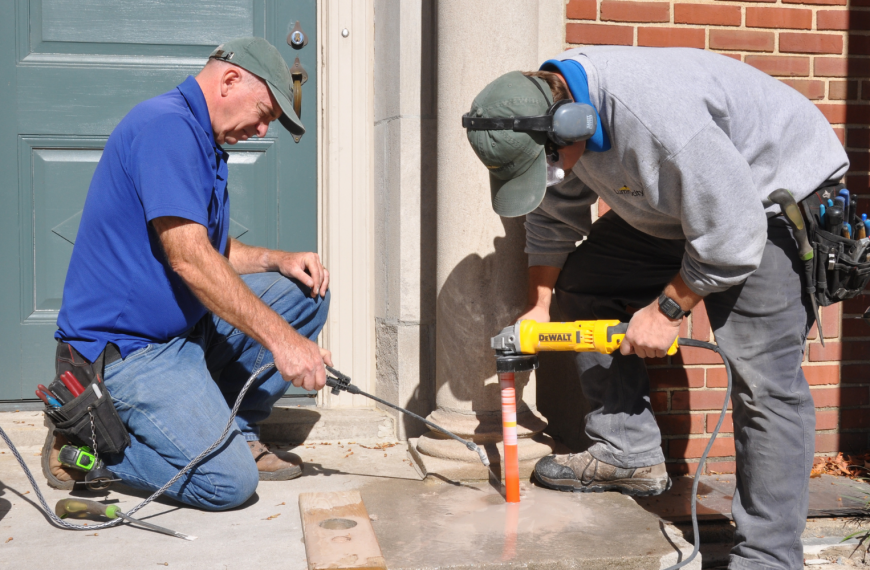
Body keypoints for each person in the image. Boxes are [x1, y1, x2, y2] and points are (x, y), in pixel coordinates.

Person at [464, 46, 848, 569]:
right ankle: (628, 454)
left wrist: (667, 309)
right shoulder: (560, 117)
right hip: (684, 206)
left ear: (573, 127)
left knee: (764, 382)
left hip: (766, 201)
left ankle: (770, 556)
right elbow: (554, 218)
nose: (550, 175)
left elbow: (734, 235)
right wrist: (540, 306)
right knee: (586, 288)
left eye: (546, 162)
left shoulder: (656, 121)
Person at [43, 37, 332, 511]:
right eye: (264, 112)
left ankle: (237, 429)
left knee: (306, 292)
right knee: (228, 484)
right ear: (230, 80)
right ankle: (86, 440)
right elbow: (190, 259)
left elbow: (209, 248)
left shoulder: (203, 138)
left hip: (185, 330)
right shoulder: (167, 128)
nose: (262, 130)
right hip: (130, 352)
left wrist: (276, 260)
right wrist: (284, 342)